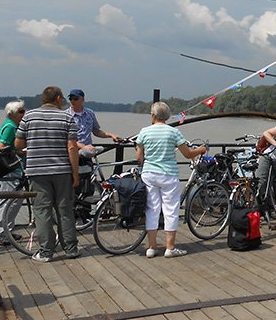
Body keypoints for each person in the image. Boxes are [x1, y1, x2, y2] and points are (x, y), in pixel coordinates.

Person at [14, 86, 80, 262]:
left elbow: (18, 143)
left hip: (37, 172)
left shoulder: (29, 116)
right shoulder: (67, 117)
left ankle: (46, 252)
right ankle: (71, 249)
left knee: (42, 211)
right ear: (58, 98)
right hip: (62, 171)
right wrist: (76, 173)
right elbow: (72, 147)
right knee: (65, 210)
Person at [135, 101, 207, 258]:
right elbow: (187, 154)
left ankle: (152, 247)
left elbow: (139, 157)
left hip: (149, 174)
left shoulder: (144, 132)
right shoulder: (173, 132)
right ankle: (170, 247)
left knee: (152, 210)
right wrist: (201, 150)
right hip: (169, 174)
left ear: (153, 115)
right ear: (167, 116)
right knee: (170, 211)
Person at [0, 100, 26, 244]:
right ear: (12, 114)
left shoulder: (11, 125)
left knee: (13, 199)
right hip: (11, 169)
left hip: (14, 168)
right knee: (12, 200)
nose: (24, 114)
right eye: (21, 111)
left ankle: (6, 230)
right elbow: (1, 147)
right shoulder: (11, 127)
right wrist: (18, 152)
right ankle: (0, 230)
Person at [66, 89, 121, 154]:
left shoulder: (90, 113)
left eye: (75, 98)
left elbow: (96, 131)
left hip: (88, 151)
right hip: (71, 152)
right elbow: (65, 138)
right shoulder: (65, 115)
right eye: (70, 98)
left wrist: (111, 135)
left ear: (82, 100)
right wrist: (83, 147)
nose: (72, 101)